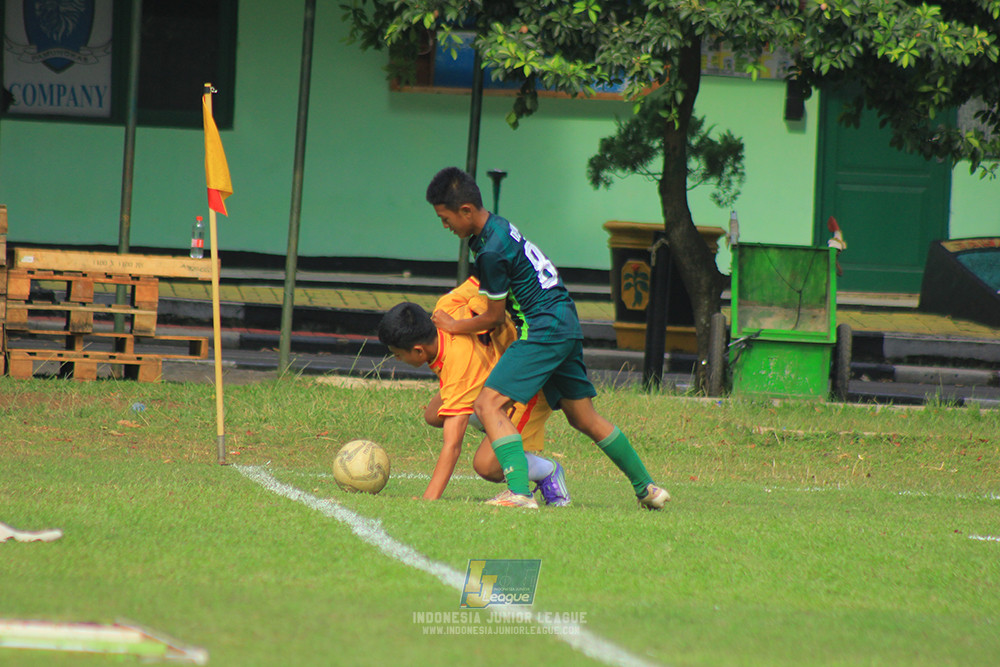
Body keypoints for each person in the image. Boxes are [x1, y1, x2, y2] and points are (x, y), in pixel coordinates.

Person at [425, 166, 670, 510]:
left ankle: (519, 493)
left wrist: (453, 326)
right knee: (583, 417)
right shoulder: (498, 227)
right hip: (564, 321)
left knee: (486, 404)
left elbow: (494, 318)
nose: (444, 225)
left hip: (542, 327)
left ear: (465, 211)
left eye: (445, 217)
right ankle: (648, 488)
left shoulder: (491, 250)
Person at [377, 277, 570, 506]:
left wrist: (428, 500)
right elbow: (484, 279)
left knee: (487, 466)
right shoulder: (446, 307)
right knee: (434, 414)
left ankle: (547, 471)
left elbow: (452, 446)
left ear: (419, 350)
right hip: (493, 380)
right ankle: (495, 428)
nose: (398, 360)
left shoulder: (460, 370)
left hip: (526, 390)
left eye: (398, 355)